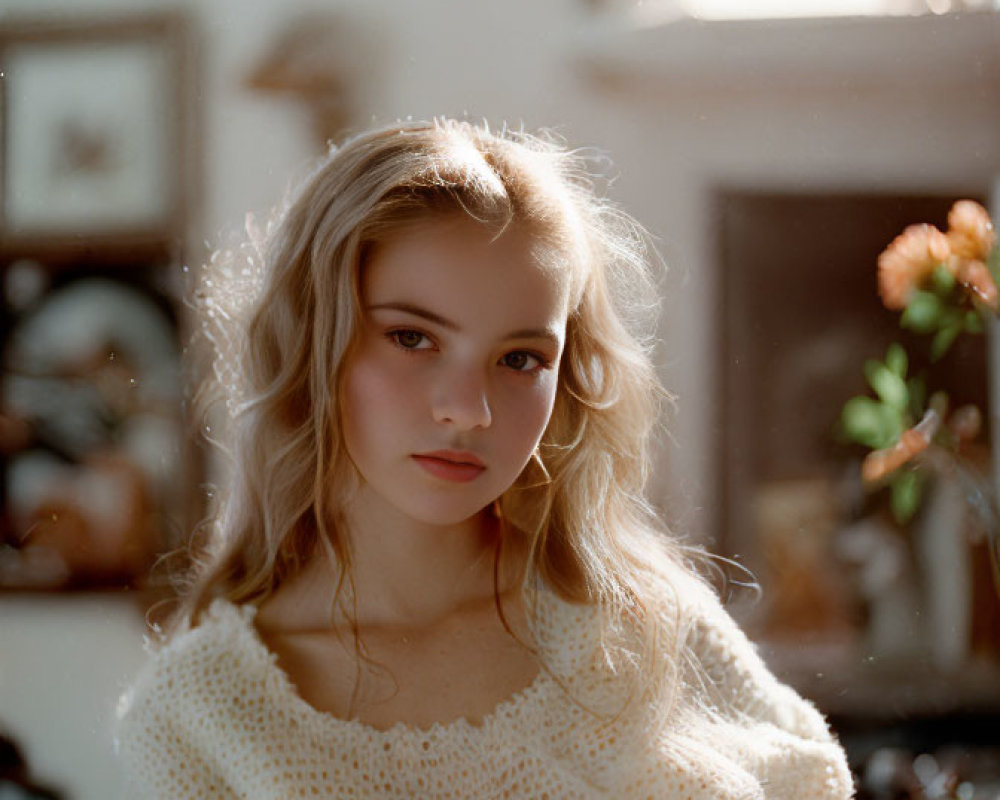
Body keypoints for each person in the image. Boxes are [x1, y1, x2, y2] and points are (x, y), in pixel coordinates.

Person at [115, 118, 853, 799]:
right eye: (412, 337)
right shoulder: (199, 715)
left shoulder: (640, 623)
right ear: (312, 341)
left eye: (521, 358)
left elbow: (814, 780)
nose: (469, 409)